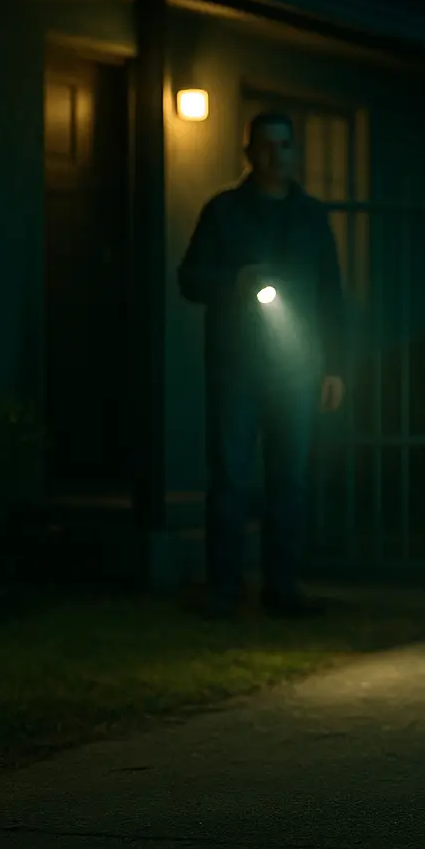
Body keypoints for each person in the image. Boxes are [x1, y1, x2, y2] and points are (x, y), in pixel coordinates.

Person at [177, 111, 346, 618]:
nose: (276, 156)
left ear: (295, 152)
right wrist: (235, 282)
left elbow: (330, 293)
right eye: (267, 146)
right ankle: (224, 586)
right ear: (249, 152)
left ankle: (282, 586)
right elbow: (189, 278)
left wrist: (333, 365)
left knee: (288, 477)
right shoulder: (224, 211)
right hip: (236, 365)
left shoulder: (311, 216)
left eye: (285, 145)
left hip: (295, 367)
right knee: (230, 474)